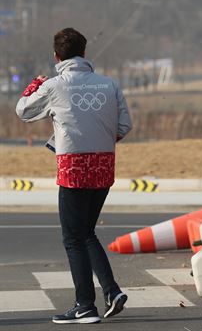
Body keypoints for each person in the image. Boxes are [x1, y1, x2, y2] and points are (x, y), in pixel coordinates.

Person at [16, 28, 132, 324]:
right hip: (104, 166)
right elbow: (124, 125)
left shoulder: (55, 85)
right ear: (84, 52)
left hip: (73, 168)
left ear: (57, 56)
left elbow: (23, 111)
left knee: (72, 238)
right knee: (86, 232)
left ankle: (84, 306)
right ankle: (112, 291)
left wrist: (34, 85)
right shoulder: (110, 84)